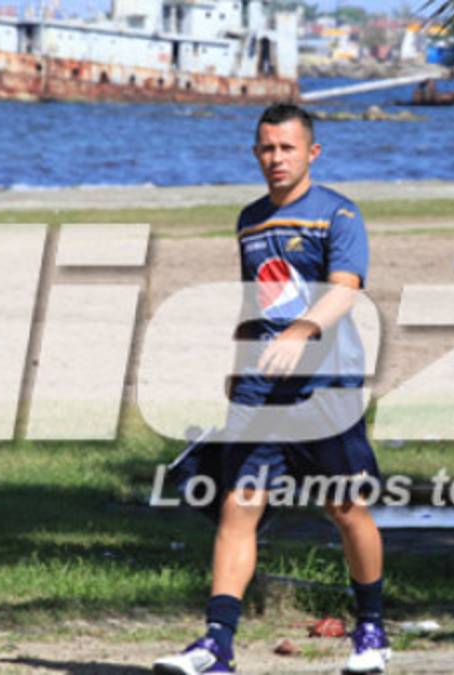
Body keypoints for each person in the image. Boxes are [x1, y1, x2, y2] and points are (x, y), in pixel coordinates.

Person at [154, 103, 390, 674]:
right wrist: (240, 355)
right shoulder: (250, 220)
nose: (275, 158)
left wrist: (304, 329)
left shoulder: (339, 213)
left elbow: (345, 290)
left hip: (325, 388)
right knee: (240, 507)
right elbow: (255, 298)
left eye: (287, 148)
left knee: (345, 509)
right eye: (266, 148)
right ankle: (216, 645)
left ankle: (372, 633)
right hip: (261, 390)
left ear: (312, 152)